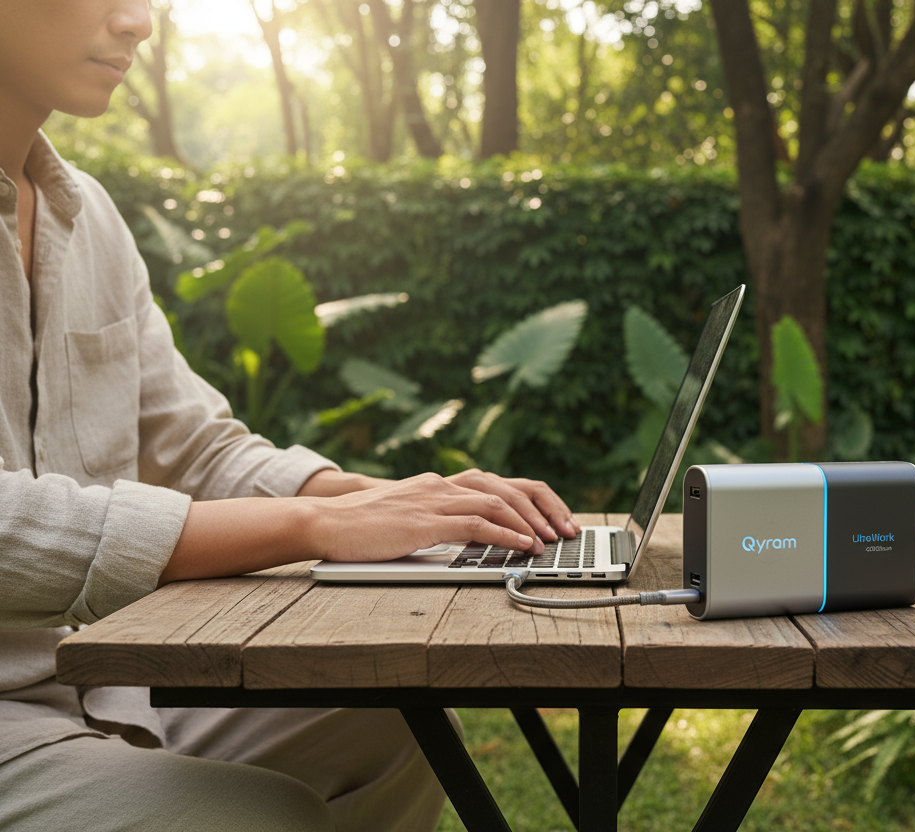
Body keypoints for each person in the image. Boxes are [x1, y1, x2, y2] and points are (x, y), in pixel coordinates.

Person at [0, 2, 579, 829]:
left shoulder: (86, 213)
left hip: (112, 693)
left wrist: (408, 505)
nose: (137, 22)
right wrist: (312, 524)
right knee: (262, 818)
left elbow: (193, 445)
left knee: (396, 722)